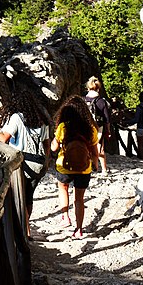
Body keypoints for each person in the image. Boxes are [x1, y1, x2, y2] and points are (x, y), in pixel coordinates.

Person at [0, 85, 51, 237]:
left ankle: (24, 231)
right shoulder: (41, 119)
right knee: (29, 196)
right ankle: (26, 228)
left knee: (19, 195)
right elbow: (47, 144)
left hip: (23, 162)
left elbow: (4, 138)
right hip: (39, 164)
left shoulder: (17, 117)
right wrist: (47, 162)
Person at [51, 95, 103, 239]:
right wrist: (95, 164)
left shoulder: (63, 127)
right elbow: (94, 152)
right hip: (84, 168)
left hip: (64, 166)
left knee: (63, 188)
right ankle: (79, 229)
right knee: (79, 198)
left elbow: (54, 148)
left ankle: (65, 216)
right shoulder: (90, 129)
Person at [84, 76, 111, 171]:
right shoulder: (102, 101)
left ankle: (89, 168)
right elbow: (107, 118)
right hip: (99, 127)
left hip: (86, 127)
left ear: (88, 88)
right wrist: (108, 130)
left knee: (87, 147)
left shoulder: (84, 100)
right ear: (98, 88)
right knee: (100, 147)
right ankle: (103, 169)